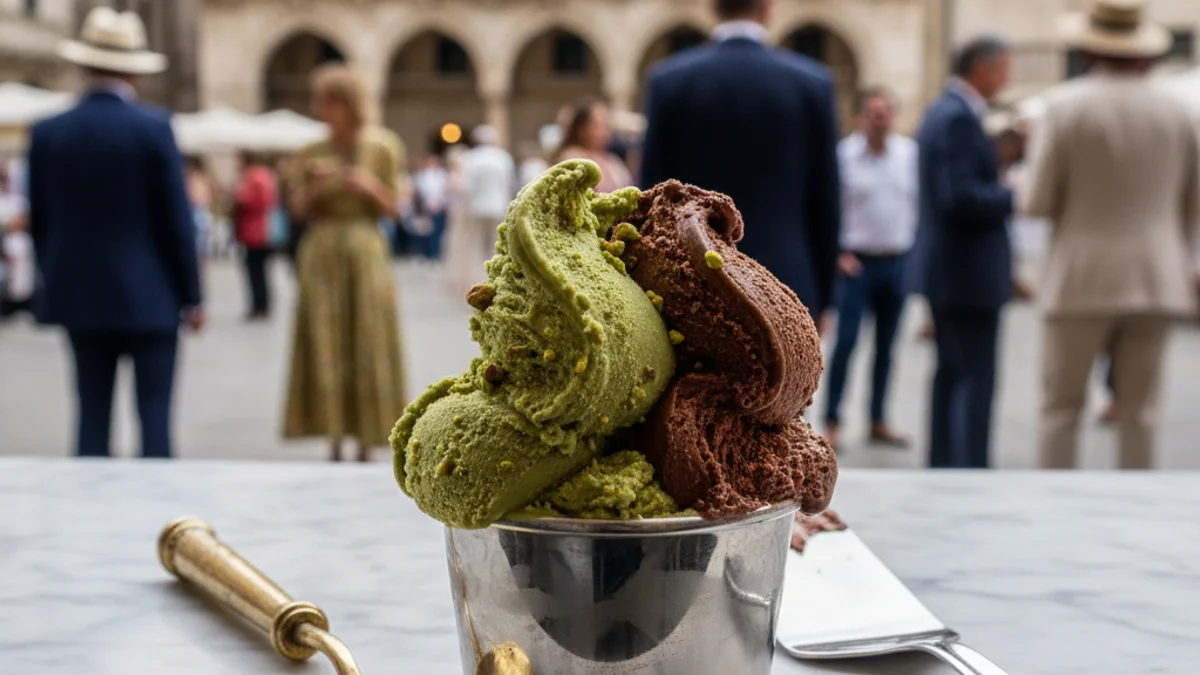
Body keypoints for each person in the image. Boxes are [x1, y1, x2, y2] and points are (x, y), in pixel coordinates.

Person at [1022, 0, 1199, 470]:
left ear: (1092, 48)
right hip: (1157, 279)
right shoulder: (1180, 113)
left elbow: (1034, 202)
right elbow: (1194, 206)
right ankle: (1134, 519)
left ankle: (1056, 511)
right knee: (1141, 416)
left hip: (1080, 279)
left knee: (1060, 411)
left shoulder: (1063, 108)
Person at [26, 7, 203, 458]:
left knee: (91, 416)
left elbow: (40, 222)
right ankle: (162, 521)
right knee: (155, 418)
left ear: (84, 64)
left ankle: (89, 518)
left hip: (78, 294)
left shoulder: (49, 133)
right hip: (152, 294)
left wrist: (54, 277)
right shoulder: (154, 128)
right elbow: (175, 221)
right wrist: (192, 295)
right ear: (134, 71)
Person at [641, 0, 841, 319]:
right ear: (767, 8)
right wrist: (826, 296)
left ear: (713, 7)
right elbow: (826, 201)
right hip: (787, 280)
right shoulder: (812, 84)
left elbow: (652, 197)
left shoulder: (670, 82)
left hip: (694, 282)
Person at [283, 64, 406, 463]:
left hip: (365, 248)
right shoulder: (310, 151)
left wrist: (367, 185)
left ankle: (368, 436)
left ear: (346, 103)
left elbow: (397, 209)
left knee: (367, 337)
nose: (320, 109)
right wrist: (317, 187)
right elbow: (296, 211)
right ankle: (332, 434)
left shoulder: (382, 146)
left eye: (326, 101)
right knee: (327, 338)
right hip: (322, 252)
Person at [907, 34, 1014, 469]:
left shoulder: (947, 111)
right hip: (966, 272)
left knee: (952, 373)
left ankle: (945, 464)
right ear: (981, 67)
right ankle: (968, 470)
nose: (1008, 76)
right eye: (1004, 66)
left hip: (952, 269)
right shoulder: (956, 116)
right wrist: (1009, 193)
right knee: (973, 377)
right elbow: (960, 196)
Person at [823, 87, 918, 451]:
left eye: (886, 112)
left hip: (897, 261)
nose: (880, 118)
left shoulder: (909, 154)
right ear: (862, 116)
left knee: (887, 346)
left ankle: (879, 418)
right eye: (874, 112)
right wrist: (838, 252)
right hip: (856, 264)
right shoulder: (843, 156)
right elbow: (828, 208)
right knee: (846, 343)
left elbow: (917, 205)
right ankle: (832, 421)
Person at [451, 124, 514, 290]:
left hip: (476, 207)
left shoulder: (471, 158)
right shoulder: (503, 157)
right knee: (496, 245)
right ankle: (498, 279)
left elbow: (466, 186)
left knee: (475, 247)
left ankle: (477, 281)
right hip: (498, 206)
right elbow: (509, 183)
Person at [233, 152, 278, 320]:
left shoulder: (254, 177)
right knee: (259, 270)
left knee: (255, 270)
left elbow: (249, 200)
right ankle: (262, 304)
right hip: (260, 230)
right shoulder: (265, 175)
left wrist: (239, 194)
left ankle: (259, 305)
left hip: (255, 231)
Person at [556, 99, 633, 193]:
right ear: (582, 129)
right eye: (598, 125)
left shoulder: (612, 160)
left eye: (607, 124)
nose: (606, 131)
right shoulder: (573, 158)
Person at [410, 151, 449, 261]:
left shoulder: (441, 175)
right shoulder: (420, 175)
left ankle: (435, 253)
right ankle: (425, 253)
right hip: (425, 207)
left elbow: (444, 190)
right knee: (423, 231)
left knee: (437, 231)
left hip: (439, 206)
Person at [185, 156, 214, 260]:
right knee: (201, 244)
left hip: (197, 211)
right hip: (203, 210)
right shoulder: (204, 178)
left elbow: (193, 196)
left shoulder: (194, 179)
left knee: (198, 244)